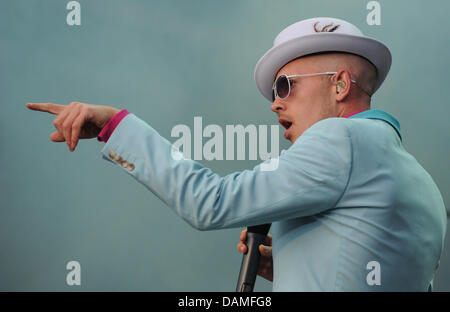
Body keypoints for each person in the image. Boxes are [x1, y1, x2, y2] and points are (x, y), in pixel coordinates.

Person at [26, 17, 447, 291]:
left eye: (285, 86)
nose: (274, 104)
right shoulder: (422, 184)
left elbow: (210, 203)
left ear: (339, 85)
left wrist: (114, 124)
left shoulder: (340, 140)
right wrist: (288, 266)